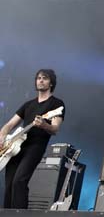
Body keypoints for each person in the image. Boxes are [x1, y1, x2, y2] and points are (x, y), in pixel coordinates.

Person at [0, 69, 65, 209]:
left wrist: (43, 125)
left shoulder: (56, 105)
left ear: (51, 83)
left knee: (20, 181)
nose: (40, 80)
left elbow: (55, 129)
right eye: (38, 78)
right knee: (10, 184)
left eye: (45, 78)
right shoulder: (28, 104)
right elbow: (10, 124)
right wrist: (2, 136)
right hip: (15, 147)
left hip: (35, 146)